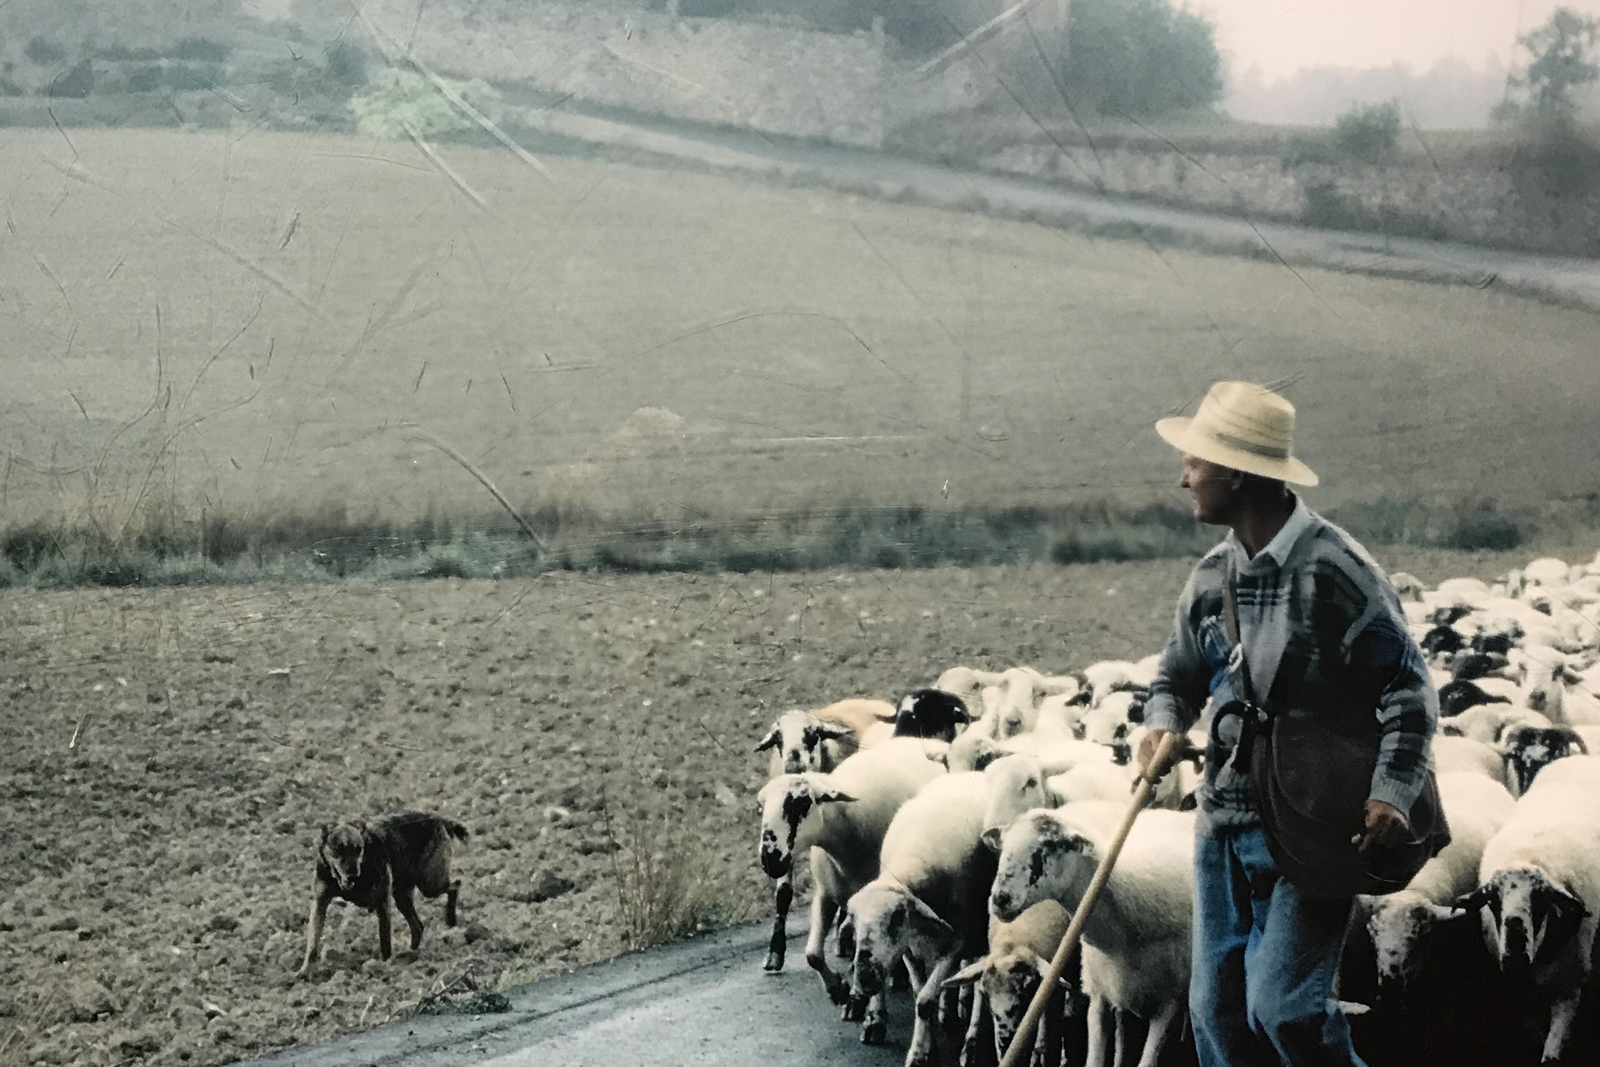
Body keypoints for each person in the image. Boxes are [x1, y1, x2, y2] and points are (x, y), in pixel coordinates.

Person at [1135, 381, 1437, 1067]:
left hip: (1310, 824)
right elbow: (1175, 676)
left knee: (1283, 1010)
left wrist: (1391, 789)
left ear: (1237, 472)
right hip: (1223, 825)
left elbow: (1408, 687)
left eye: (1196, 463)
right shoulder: (1212, 577)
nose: (1184, 477)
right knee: (1216, 1015)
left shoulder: (1336, 571)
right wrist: (1161, 724)